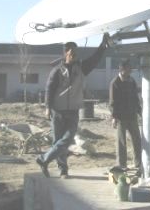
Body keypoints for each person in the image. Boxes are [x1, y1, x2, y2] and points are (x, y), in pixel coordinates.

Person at [36, 34, 109, 178]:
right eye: (72, 52)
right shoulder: (57, 70)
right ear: (66, 53)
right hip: (58, 111)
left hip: (73, 111)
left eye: (76, 52)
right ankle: (63, 169)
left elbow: (95, 59)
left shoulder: (81, 68)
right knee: (58, 142)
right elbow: (49, 89)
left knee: (67, 139)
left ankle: (43, 159)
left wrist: (103, 45)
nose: (75, 55)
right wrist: (47, 107)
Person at [109, 59, 142, 173]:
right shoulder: (115, 83)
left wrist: (139, 110)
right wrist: (114, 117)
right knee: (121, 142)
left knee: (137, 140)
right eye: (128, 68)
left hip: (132, 115)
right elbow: (112, 102)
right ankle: (122, 165)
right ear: (122, 69)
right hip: (120, 118)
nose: (130, 70)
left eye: (130, 68)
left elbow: (135, 98)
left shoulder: (131, 81)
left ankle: (138, 163)